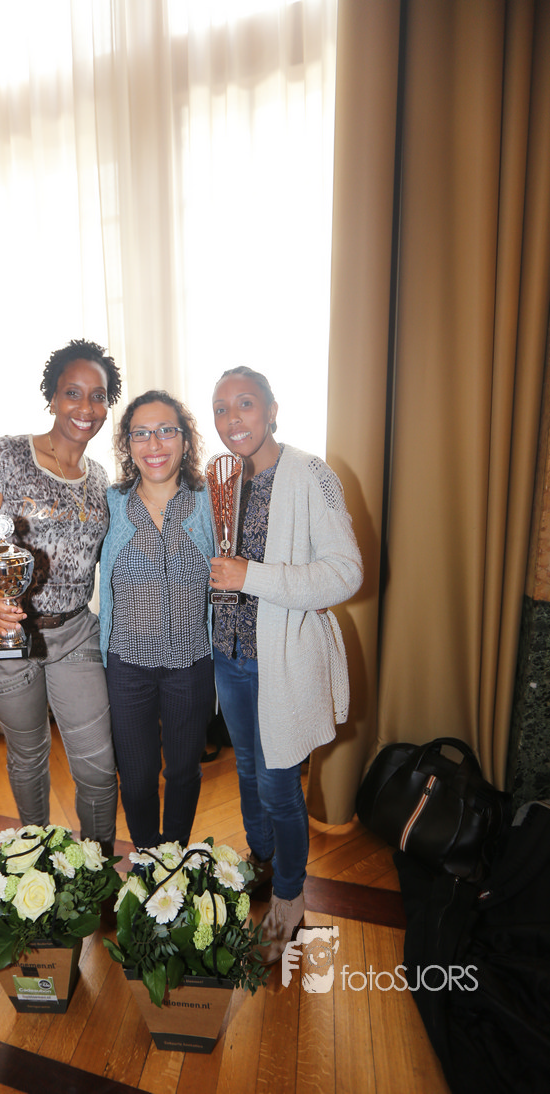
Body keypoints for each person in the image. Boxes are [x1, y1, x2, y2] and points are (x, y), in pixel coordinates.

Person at [209, 366, 363, 964]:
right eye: (221, 408)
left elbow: (345, 572)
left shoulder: (310, 474)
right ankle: (263, 862)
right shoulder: (221, 479)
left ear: (272, 410)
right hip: (229, 654)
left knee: (277, 785)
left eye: (245, 404)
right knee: (247, 771)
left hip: (281, 661)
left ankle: (291, 898)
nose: (232, 419)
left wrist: (253, 576)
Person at [0, 339, 122, 851]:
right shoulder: (3, 456)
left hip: (75, 633)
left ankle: (96, 862)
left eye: (98, 396)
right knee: (28, 753)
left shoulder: (101, 481)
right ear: (52, 397)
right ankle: (37, 857)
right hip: (6, 632)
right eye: (73, 392)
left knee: (98, 764)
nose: (85, 407)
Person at [98, 391, 215, 850]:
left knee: (184, 770)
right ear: (128, 444)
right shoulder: (110, 503)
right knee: (137, 773)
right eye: (141, 433)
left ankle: (175, 856)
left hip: (191, 663)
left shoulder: (210, 502)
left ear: (185, 440)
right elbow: (66, 554)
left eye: (167, 430)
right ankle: (148, 855)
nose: (154, 444)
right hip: (127, 666)